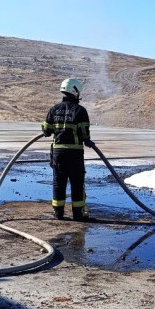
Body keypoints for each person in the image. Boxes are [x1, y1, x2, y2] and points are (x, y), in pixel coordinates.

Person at [42, 78, 93, 221]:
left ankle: (58, 213)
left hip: (58, 154)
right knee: (77, 183)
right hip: (75, 154)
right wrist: (87, 140)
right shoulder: (80, 110)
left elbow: (46, 130)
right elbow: (84, 131)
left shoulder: (54, 109)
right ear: (75, 91)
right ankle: (78, 214)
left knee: (59, 182)